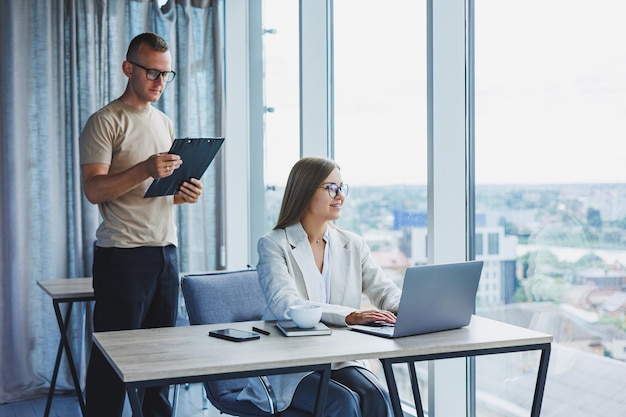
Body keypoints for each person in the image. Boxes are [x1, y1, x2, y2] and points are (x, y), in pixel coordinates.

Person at [79, 32, 203, 417]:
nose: (159, 82)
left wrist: (185, 193)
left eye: (166, 74)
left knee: (160, 360)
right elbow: (94, 189)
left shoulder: (165, 123)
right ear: (128, 69)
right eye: (151, 72)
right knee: (111, 364)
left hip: (166, 253)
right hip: (121, 257)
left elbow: (161, 194)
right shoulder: (104, 122)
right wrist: (145, 168)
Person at [239, 156, 401, 417]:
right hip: (292, 362)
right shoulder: (273, 244)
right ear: (305, 191)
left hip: (339, 356)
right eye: (331, 188)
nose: (340, 197)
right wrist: (349, 316)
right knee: (343, 402)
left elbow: (384, 290)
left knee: (378, 395)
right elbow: (285, 304)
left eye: (341, 187)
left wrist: (409, 306)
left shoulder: (353, 244)